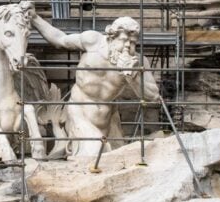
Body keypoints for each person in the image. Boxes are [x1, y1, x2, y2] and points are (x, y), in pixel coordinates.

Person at [30, 11, 159, 157]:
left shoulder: (139, 61)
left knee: (117, 159)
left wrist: (132, 75)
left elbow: (153, 97)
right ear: (112, 36)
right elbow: (60, 39)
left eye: (133, 42)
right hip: (80, 112)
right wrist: (35, 18)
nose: (128, 45)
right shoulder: (93, 41)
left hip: (108, 119)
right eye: (124, 40)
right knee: (94, 152)